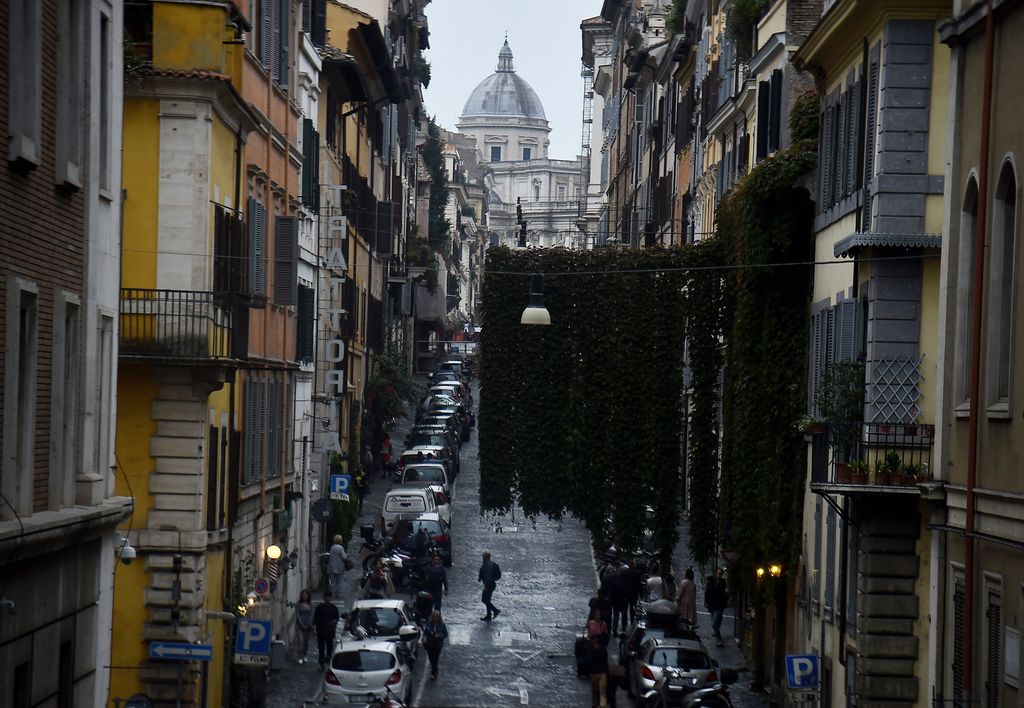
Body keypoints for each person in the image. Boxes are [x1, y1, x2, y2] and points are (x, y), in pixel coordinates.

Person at [313, 591, 340, 668]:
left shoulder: (334, 608)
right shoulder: (319, 608)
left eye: (329, 597)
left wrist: (333, 623)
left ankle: (328, 660)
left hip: (330, 631)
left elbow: (337, 618)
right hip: (320, 630)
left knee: (329, 647)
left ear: (331, 598)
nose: (327, 598)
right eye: (326, 597)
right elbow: (315, 619)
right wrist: (314, 628)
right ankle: (321, 662)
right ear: (324, 598)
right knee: (321, 647)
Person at [705, 567, 730, 646]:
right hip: (712, 605)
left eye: (720, 573)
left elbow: (725, 593)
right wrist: (706, 601)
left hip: (719, 606)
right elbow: (707, 591)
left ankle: (719, 639)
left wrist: (726, 601)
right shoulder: (711, 581)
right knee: (715, 622)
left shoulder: (723, 583)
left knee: (714, 624)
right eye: (718, 573)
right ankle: (717, 632)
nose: (719, 574)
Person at [422, 610, 449, 680]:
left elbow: (445, 634)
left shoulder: (442, 625)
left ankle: (433, 673)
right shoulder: (429, 624)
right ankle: (435, 670)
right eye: (434, 617)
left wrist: (440, 635)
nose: (435, 618)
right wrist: (424, 638)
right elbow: (425, 633)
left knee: (435, 659)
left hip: (437, 645)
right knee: (431, 659)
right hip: (429, 644)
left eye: (436, 617)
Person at [478, 551, 502, 621]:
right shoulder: (487, 563)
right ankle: (488, 616)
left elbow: (488, 576)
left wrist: (487, 586)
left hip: (489, 584)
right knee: (487, 600)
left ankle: (495, 611)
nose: (482, 557)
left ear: (486, 557)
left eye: (483, 556)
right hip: (491, 584)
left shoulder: (488, 565)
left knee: (484, 599)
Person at [588, 635, 609, 707]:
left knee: (596, 691)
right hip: (602, 673)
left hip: (595, 673)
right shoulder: (603, 649)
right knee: (601, 691)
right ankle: (601, 705)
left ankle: (596, 704)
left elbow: (590, 660)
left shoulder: (592, 649)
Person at [294, 589, 314, 664]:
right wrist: (301, 623)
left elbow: (312, 615)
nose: (304, 595)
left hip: (308, 626)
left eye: (306, 594)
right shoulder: (298, 604)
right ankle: (300, 656)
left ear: (308, 596)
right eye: (303, 594)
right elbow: (297, 615)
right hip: (299, 625)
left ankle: (304, 655)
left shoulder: (311, 605)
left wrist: (309, 624)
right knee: (300, 641)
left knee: (306, 643)